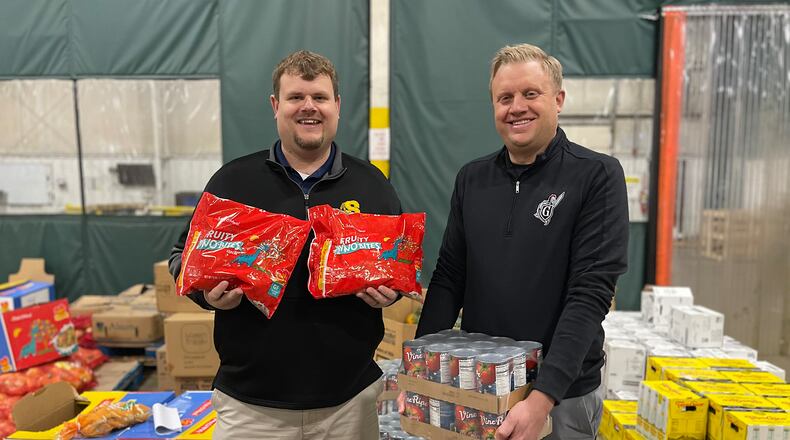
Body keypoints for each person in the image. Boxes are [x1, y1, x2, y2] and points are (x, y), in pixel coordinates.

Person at [169, 50, 401, 439]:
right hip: (250, 408)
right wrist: (207, 297)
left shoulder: (373, 186)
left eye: (320, 98)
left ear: (337, 106)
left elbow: (397, 264)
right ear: (276, 106)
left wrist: (390, 293)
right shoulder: (232, 182)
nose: (308, 107)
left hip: (348, 406)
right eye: (296, 97)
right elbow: (182, 258)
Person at [414, 43, 629, 439]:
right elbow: (449, 278)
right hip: (481, 386)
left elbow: (590, 293)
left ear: (558, 99)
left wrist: (543, 396)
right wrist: (419, 373)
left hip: (563, 395)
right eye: (505, 98)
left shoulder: (597, 175)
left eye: (531, 94)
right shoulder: (472, 179)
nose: (517, 107)